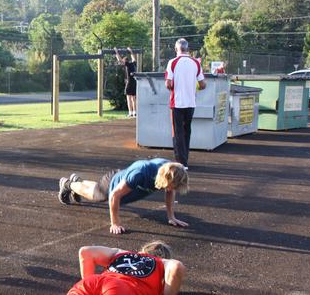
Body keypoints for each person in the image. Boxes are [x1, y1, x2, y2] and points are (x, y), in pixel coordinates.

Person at [58, 158, 189, 235]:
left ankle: (77, 180)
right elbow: (114, 195)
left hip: (124, 180)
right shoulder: (141, 173)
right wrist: (115, 223)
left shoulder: (170, 170)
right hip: (112, 184)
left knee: (96, 187)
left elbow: (170, 190)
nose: (172, 190)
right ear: (165, 179)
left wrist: (171, 217)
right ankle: (68, 184)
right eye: (172, 186)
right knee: (94, 195)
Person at [68, 241, 186, 295]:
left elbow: (86, 252)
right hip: (121, 289)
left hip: (92, 281)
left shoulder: (121, 253)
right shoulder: (161, 263)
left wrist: (87, 280)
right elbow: (177, 266)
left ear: (143, 251)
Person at [165, 39, 206, 169]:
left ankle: (181, 162)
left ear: (176, 49)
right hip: (190, 102)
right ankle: (185, 159)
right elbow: (203, 84)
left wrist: (172, 86)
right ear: (187, 49)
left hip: (177, 103)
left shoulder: (172, 62)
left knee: (177, 133)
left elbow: (168, 84)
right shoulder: (196, 63)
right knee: (186, 131)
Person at [115, 47, 138, 117]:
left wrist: (116, 52)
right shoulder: (133, 64)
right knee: (134, 98)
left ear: (125, 61)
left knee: (129, 98)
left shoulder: (127, 65)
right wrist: (131, 51)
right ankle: (135, 112)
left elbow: (119, 60)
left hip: (129, 83)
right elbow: (134, 58)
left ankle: (130, 112)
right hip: (134, 82)